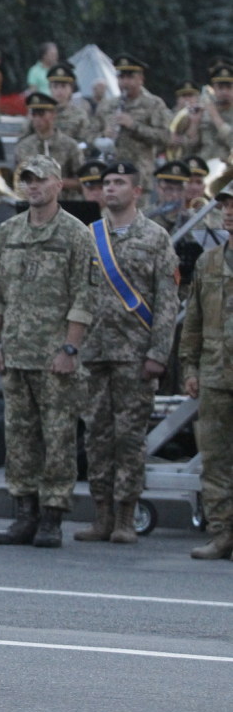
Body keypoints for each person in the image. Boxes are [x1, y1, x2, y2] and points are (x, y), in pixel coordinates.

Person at [0, 154, 94, 548]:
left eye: (40, 180)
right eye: (27, 180)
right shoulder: (9, 231)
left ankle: (52, 516)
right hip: (15, 352)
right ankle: (24, 514)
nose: (33, 186)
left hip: (54, 357)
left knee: (59, 437)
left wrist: (70, 347)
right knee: (18, 438)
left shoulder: (75, 234)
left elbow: (85, 295)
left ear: (58, 185)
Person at [74, 160, 180, 545]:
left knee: (130, 439)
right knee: (96, 437)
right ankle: (101, 514)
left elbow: (167, 301)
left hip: (135, 354)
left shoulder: (156, 237)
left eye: (119, 182)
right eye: (107, 183)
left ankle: (125, 516)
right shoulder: (89, 235)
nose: (111, 188)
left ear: (137, 191)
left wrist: (159, 353)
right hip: (94, 352)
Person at [179, 184, 233, 559]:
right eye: (225, 205)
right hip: (215, 372)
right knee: (214, 459)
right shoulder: (209, 261)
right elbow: (193, 320)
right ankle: (222, 533)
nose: (228, 211)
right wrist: (189, 366)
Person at [92, 55, 170, 192]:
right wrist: (103, 135)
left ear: (141, 79)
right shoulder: (107, 106)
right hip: (110, 176)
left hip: (139, 178)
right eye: (121, 78)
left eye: (130, 77)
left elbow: (165, 137)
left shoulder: (154, 104)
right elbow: (88, 136)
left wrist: (134, 126)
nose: (125, 83)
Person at [15, 93, 83, 194]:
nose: (37, 119)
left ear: (53, 114)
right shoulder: (23, 147)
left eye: (41, 114)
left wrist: (56, 183)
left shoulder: (70, 146)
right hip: (33, 203)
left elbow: (82, 182)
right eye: (34, 115)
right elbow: (18, 180)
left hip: (64, 203)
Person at [48, 63, 93, 146]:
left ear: (71, 89)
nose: (59, 91)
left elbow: (87, 141)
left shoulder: (80, 115)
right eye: (55, 86)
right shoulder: (42, 114)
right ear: (50, 89)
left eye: (63, 86)